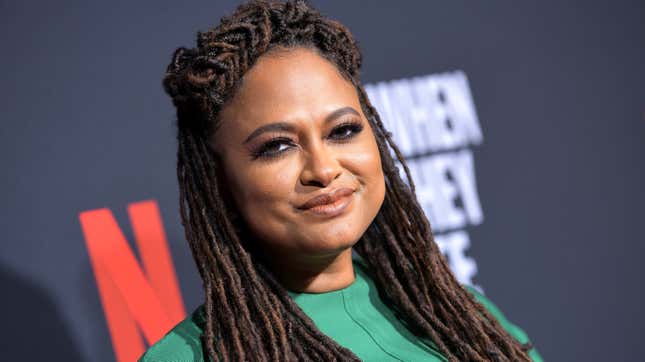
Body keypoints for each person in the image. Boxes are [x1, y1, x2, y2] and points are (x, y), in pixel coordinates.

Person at [140, 1, 543, 361]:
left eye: (343, 131)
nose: (324, 168)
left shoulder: (463, 314)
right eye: (277, 146)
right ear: (218, 181)